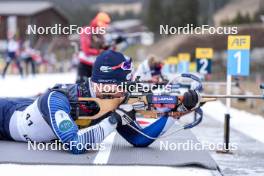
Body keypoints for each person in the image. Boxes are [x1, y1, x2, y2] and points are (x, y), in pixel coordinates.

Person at [0, 50, 200, 153]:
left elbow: (141, 139)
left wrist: (177, 111)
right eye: (122, 84)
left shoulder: (113, 100)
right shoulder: (58, 99)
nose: (125, 90)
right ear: (105, 83)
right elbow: (75, 145)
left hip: (23, 107)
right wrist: (113, 120)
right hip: (5, 118)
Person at [77, 12, 111, 83]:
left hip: (96, 66)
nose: (103, 27)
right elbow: (86, 50)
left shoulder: (100, 33)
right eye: (102, 24)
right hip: (85, 65)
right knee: (82, 89)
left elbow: (103, 48)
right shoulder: (86, 31)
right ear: (97, 21)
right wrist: (99, 52)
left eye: (105, 26)